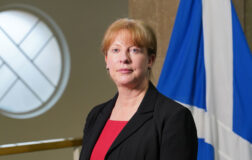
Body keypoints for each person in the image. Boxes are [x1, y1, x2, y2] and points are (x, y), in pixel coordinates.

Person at [79, 18, 198, 160]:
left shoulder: (173, 117)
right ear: (106, 59)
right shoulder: (95, 115)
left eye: (134, 50)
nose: (124, 58)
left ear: (150, 60)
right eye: (116, 50)